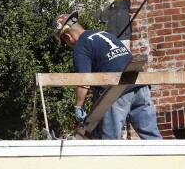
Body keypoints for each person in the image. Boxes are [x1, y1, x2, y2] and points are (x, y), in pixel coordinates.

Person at [53, 12, 161, 140]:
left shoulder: (81, 45)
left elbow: (84, 80)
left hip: (116, 91)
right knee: (152, 138)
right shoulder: (103, 34)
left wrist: (78, 107)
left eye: (65, 42)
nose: (68, 45)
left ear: (68, 36)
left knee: (110, 144)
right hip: (140, 85)